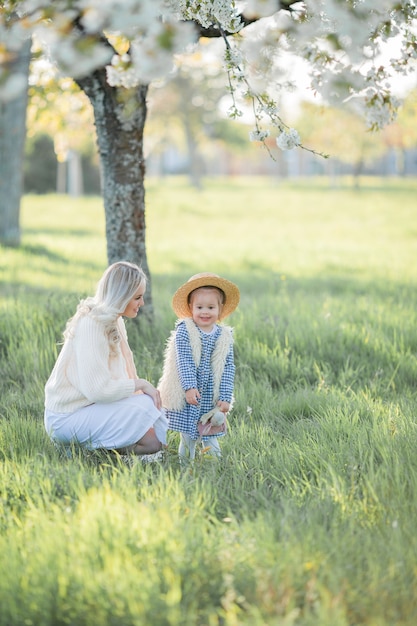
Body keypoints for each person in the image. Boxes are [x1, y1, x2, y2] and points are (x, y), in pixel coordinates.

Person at [44, 261, 168, 457]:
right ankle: (83, 451)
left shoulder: (114, 319)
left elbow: (123, 372)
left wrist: (140, 396)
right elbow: (97, 390)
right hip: (67, 417)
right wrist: (141, 385)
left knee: (153, 439)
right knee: (146, 407)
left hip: (92, 409)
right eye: (137, 297)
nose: (142, 303)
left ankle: (95, 449)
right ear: (122, 296)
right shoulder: (92, 324)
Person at [158, 272, 240, 460]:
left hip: (210, 396)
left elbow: (228, 368)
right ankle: (186, 466)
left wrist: (226, 398)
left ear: (220, 309)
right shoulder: (185, 331)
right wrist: (189, 387)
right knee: (188, 436)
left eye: (211, 307)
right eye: (199, 307)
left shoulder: (224, 336)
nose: (205, 312)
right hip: (191, 395)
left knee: (210, 434)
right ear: (190, 307)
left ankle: (214, 467)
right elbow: (184, 361)